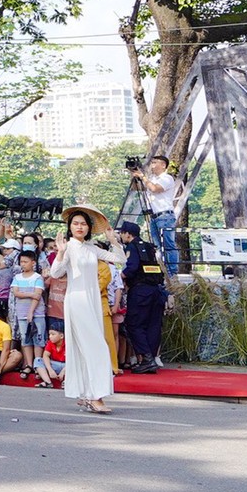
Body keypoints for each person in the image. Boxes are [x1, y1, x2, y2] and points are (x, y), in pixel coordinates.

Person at [56, 207, 123, 415]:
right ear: (69, 226)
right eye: (75, 223)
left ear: (89, 228)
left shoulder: (92, 248)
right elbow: (56, 273)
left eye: (83, 224)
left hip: (93, 301)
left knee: (91, 348)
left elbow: (120, 260)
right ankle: (96, 396)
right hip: (77, 301)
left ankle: (88, 393)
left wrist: (114, 241)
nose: (79, 227)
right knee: (98, 348)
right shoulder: (68, 248)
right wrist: (60, 252)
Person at [119, 220, 167, 375]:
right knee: (152, 325)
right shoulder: (148, 246)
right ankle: (150, 358)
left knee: (133, 324)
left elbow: (131, 267)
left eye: (122, 233)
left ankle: (147, 359)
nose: (121, 236)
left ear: (127, 234)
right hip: (155, 290)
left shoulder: (132, 247)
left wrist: (121, 276)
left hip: (140, 291)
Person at [139, 155, 183, 277]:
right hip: (154, 216)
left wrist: (142, 177)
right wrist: (136, 176)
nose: (152, 165)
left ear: (163, 165)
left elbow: (154, 189)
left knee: (168, 244)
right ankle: (163, 270)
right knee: (158, 246)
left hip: (164, 215)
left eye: (155, 163)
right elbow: (137, 189)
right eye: (151, 163)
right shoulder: (152, 178)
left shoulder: (167, 178)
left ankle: (172, 273)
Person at [6, 249, 47, 375]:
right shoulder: (17, 277)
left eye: (25, 262)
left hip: (37, 313)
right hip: (21, 313)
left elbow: (38, 296)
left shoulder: (37, 277)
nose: (23, 264)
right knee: (25, 339)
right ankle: (29, 364)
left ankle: (38, 364)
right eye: (21, 262)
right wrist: (30, 294)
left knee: (38, 338)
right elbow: (16, 293)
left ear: (33, 263)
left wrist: (31, 312)